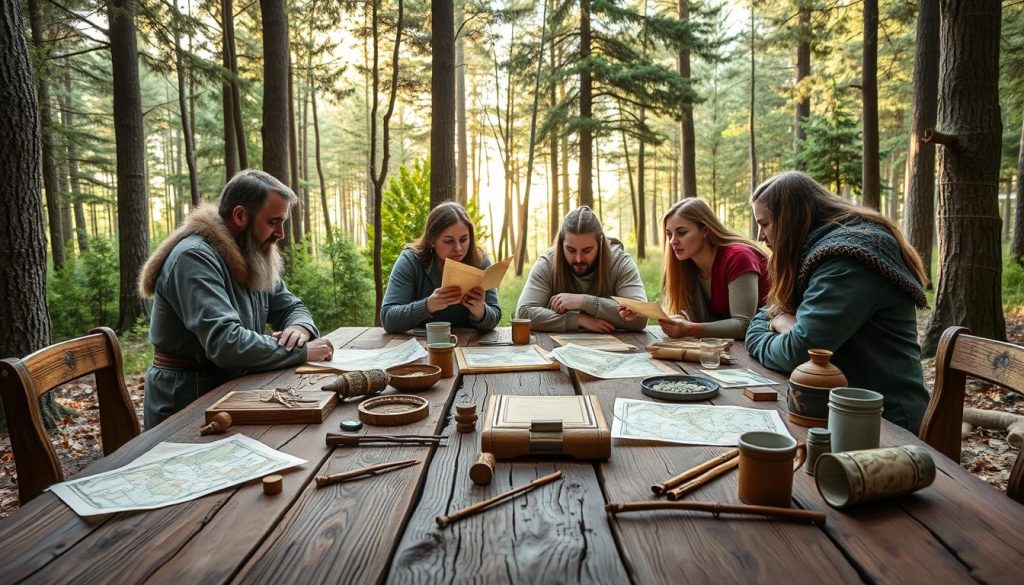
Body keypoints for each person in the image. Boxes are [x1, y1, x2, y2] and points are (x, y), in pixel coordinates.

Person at [138, 170, 334, 429]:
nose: (281, 234)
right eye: (273, 221)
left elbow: (291, 306)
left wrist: (299, 328)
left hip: (232, 390)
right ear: (240, 215)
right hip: (187, 404)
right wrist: (302, 351)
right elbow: (226, 342)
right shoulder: (194, 258)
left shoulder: (252, 252)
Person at [745, 171, 930, 433]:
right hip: (838, 405)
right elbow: (771, 311)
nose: (760, 236)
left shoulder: (847, 260)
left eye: (764, 224)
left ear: (789, 219)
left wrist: (781, 326)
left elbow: (797, 353)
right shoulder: (817, 252)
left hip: (883, 422)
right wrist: (781, 322)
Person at [619, 198, 769, 340]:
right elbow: (698, 318)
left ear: (705, 231)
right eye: (669, 234)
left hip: (766, 342)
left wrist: (690, 328)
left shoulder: (738, 257)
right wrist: (643, 313)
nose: (673, 241)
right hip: (725, 348)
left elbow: (744, 324)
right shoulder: (687, 265)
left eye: (682, 232)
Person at [516, 206, 647, 332]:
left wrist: (585, 302)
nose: (578, 259)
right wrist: (577, 320)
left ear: (600, 243)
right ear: (561, 243)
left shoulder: (620, 262)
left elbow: (640, 317)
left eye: (587, 250)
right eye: (571, 250)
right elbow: (523, 313)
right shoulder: (547, 263)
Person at [380, 201, 501, 333]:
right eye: (449, 241)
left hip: (470, 347)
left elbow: (494, 317)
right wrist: (428, 305)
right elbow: (388, 318)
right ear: (432, 240)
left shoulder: (481, 261)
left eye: (464, 239)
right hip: (422, 346)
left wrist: (480, 311)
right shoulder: (410, 261)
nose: (458, 248)